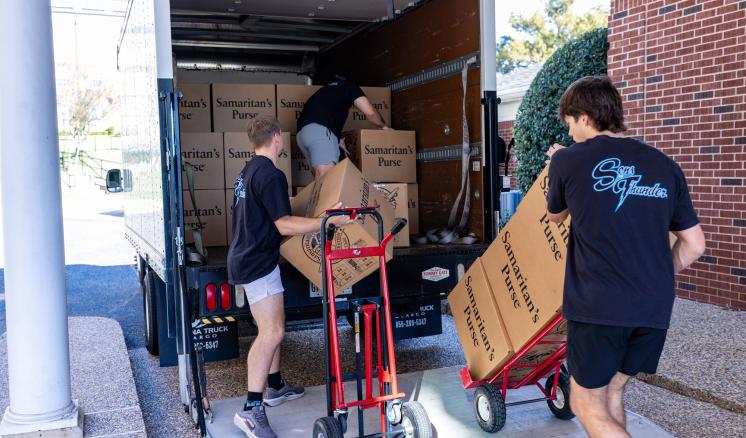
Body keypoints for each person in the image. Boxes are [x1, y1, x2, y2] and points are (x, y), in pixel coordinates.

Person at [545, 76, 706, 438]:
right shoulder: (666, 165)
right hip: (653, 310)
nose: (569, 133)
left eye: (569, 124)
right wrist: (659, 275)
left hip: (598, 307)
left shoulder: (568, 160)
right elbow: (695, 245)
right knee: (614, 389)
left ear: (584, 117)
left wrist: (558, 164)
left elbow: (555, 216)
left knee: (584, 402)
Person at [228, 115, 354, 438]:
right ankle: (251, 409)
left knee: (273, 328)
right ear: (277, 139)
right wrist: (325, 221)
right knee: (272, 332)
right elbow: (282, 224)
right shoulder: (271, 174)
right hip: (257, 263)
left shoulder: (246, 172)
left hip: (252, 258)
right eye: (281, 138)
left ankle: (274, 386)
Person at [296, 75, 390, 179]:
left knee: (319, 182)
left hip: (302, 135)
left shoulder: (322, 92)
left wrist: (335, 139)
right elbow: (370, 112)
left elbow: (319, 118)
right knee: (327, 180)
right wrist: (384, 126)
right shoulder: (349, 86)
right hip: (321, 134)